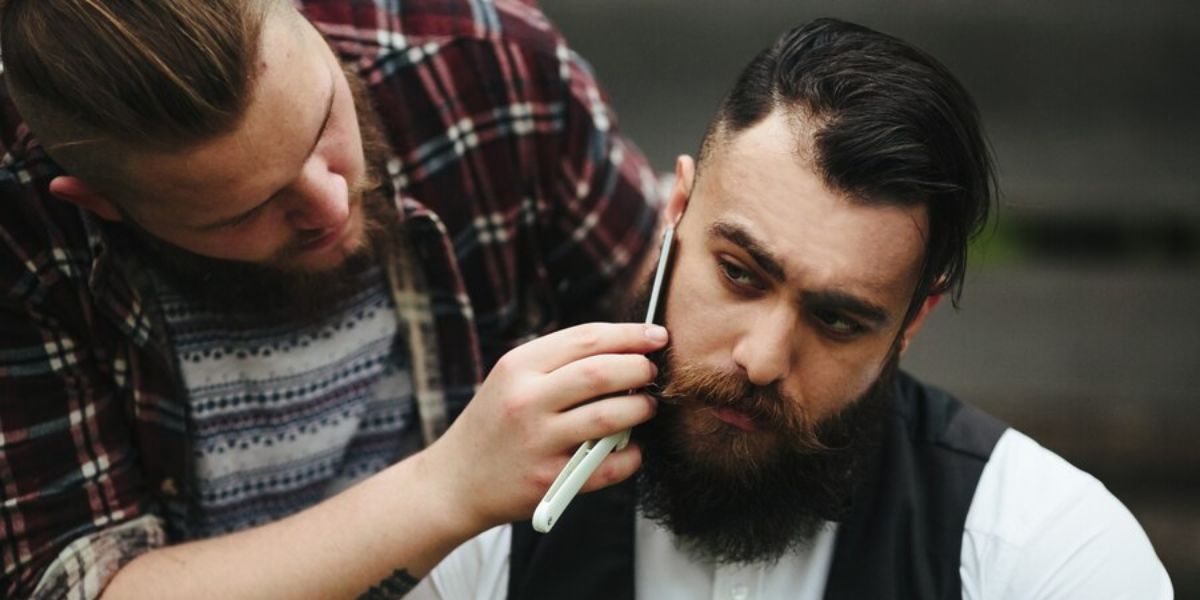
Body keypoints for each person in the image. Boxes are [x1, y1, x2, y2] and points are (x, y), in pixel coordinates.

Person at [408, 18, 1174, 600]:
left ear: (912, 321)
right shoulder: (499, 497)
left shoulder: (1038, 548)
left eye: (838, 319)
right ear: (675, 212)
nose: (764, 357)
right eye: (740, 274)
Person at [0, 0, 667, 598]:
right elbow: (77, 580)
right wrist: (451, 486)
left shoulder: (488, 65)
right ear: (101, 202)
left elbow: (658, 299)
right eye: (245, 210)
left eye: (321, 124)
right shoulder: (21, 228)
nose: (332, 201)